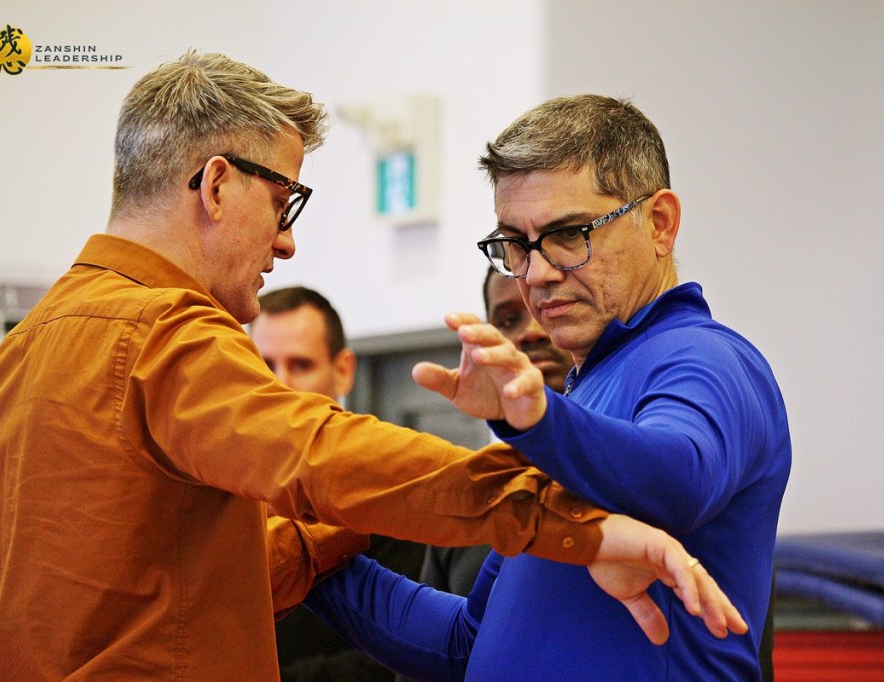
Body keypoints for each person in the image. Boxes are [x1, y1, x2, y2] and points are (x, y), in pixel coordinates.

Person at [0, 53, 745, 679]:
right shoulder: (161, 332)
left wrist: (338, 534)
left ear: (662, 224)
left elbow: (169, 582)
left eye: (566, 235)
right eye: (285, 203)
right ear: (217, 184)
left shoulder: (20, 353)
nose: (286, 242)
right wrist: (568, 516)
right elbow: (324, 456)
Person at [306, 94, 789, 680]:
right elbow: (465, 643)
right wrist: (300, 553)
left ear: (659, 223)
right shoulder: (582, 399)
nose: (536, 273)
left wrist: (538, 422)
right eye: (516, 244)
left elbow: (679, 479)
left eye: (568, 234)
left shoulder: (705, 357)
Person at [250, 286, 424, 681]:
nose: (280, 385)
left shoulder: (387, 486)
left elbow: (404, 657)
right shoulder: (231, 490)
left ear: (343, 370)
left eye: (300, 365)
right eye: (264, 365)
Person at [417, 267, 572, 596]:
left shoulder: (624, 476)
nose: (531, 333)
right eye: (508, 320)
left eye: (550, 310)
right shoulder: (464, 501)